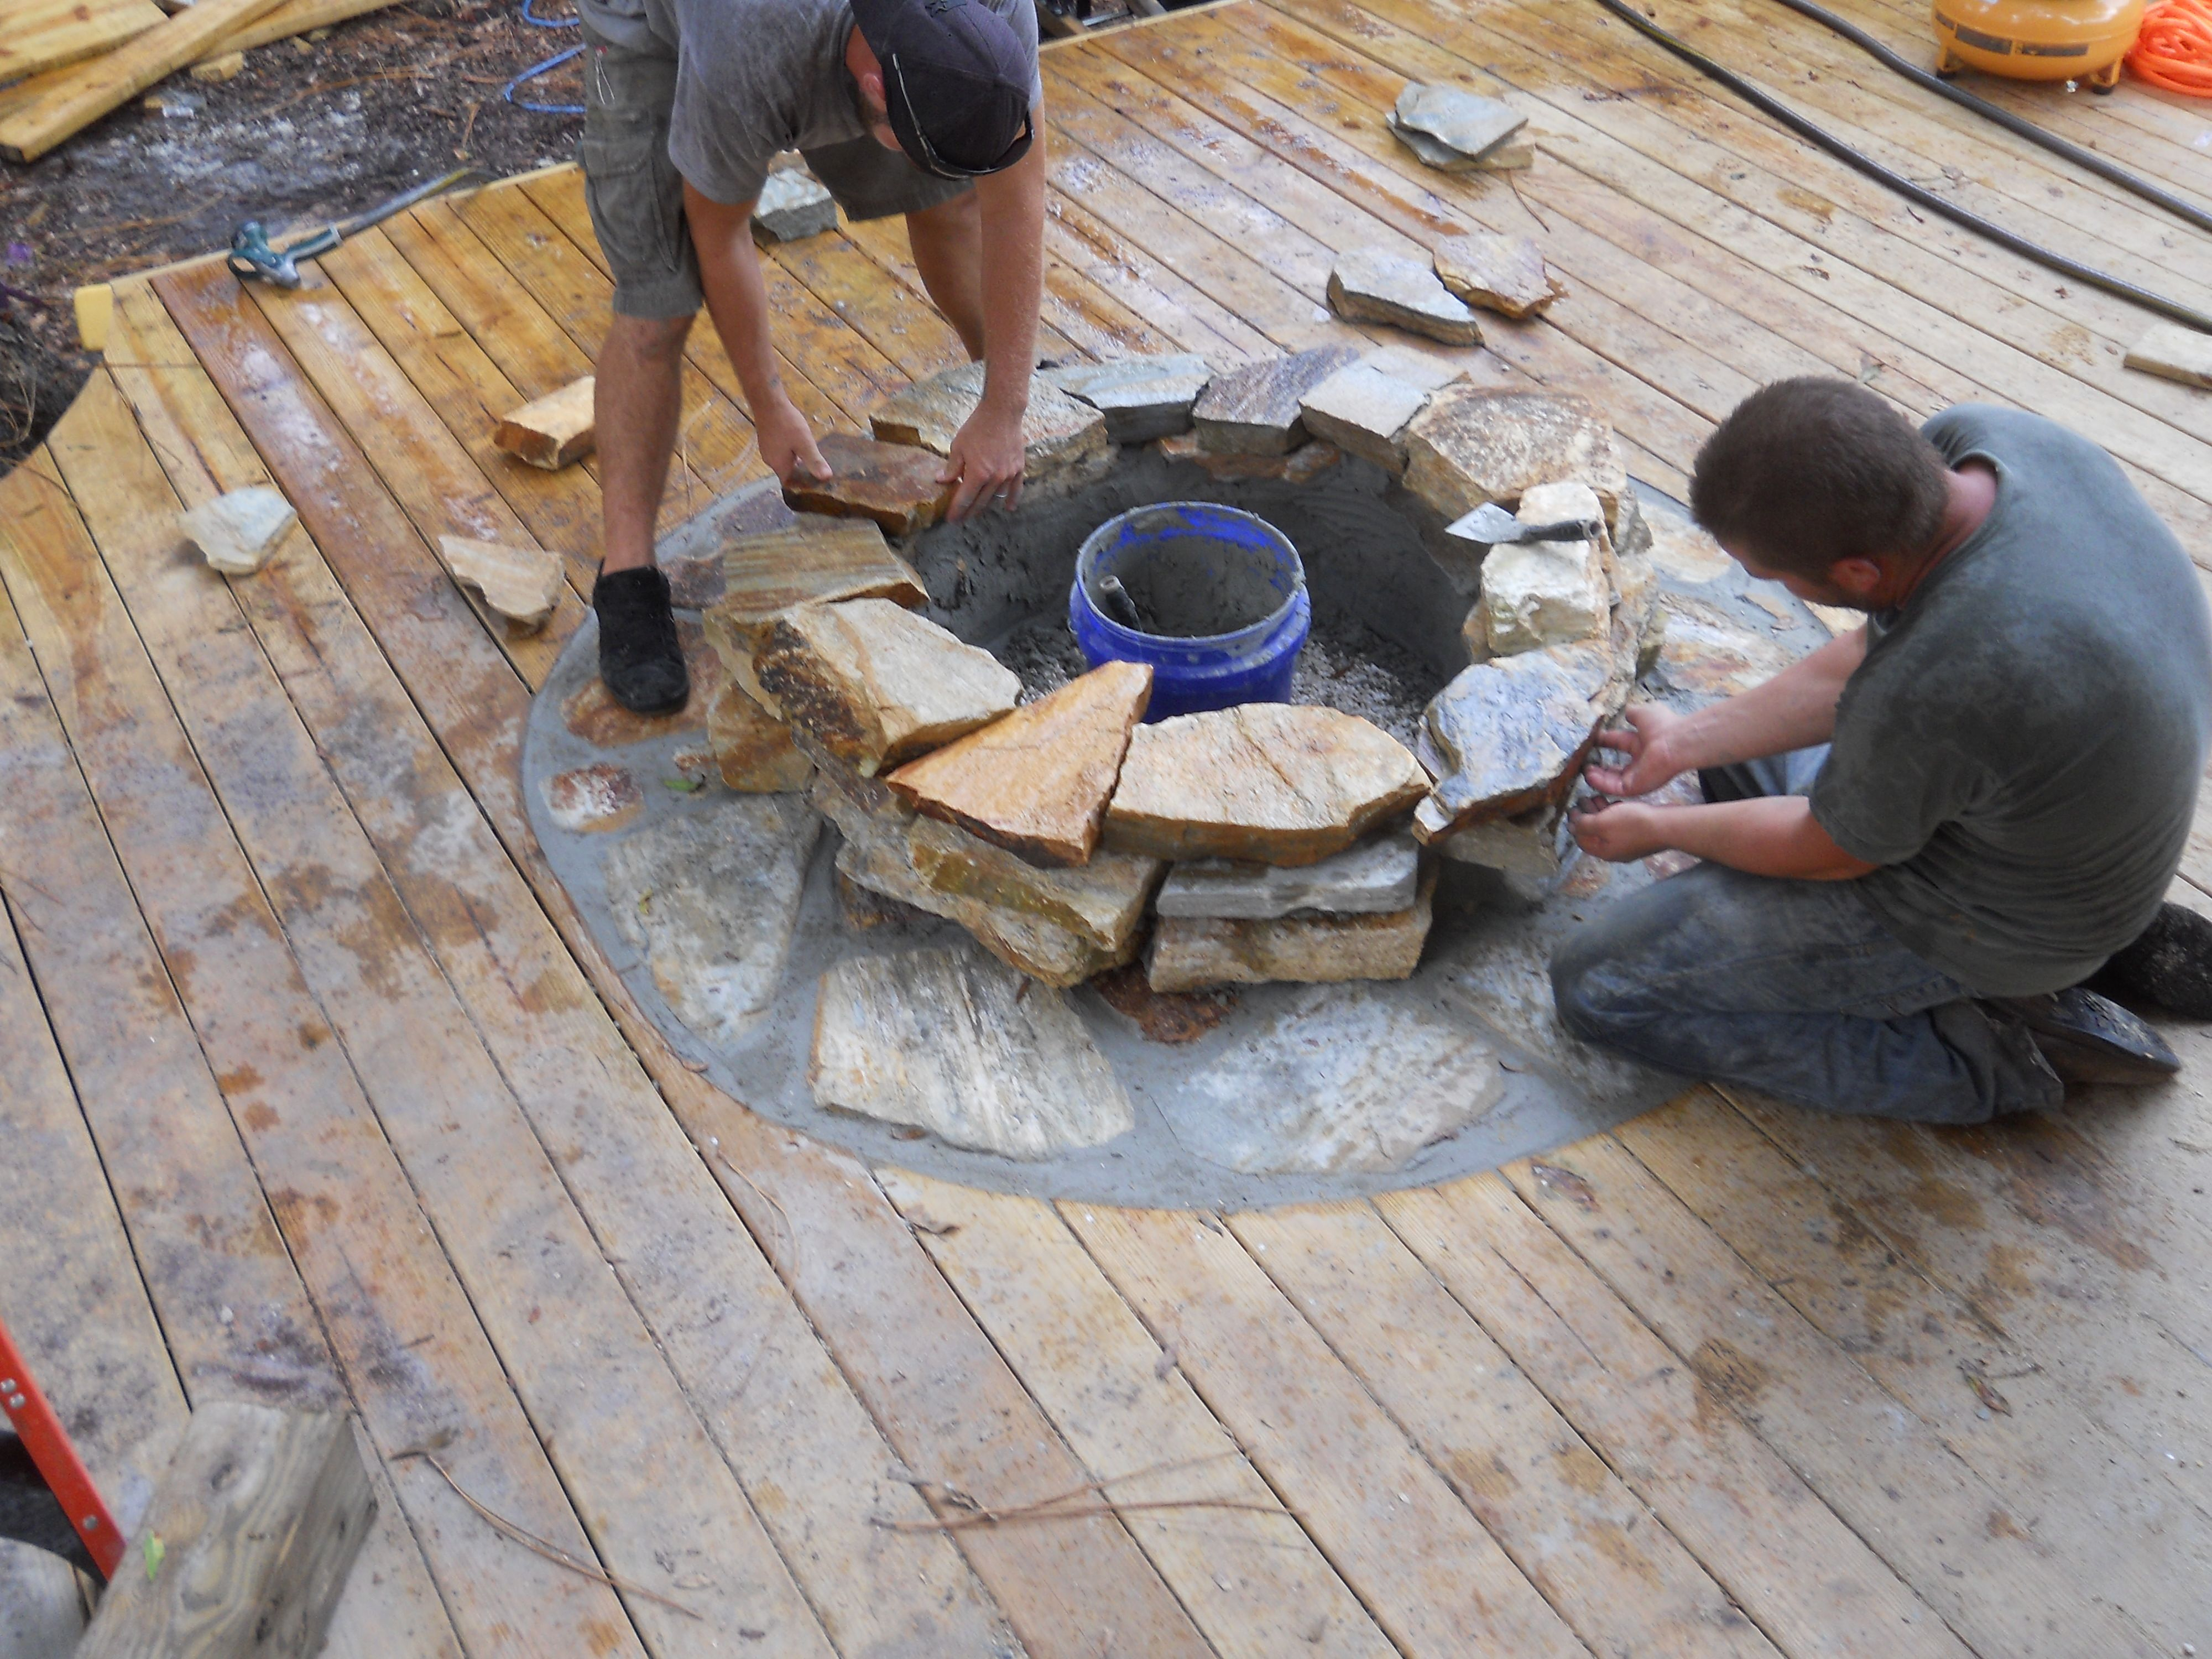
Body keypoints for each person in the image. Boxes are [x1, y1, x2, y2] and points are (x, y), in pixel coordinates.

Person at [1552, 377, 2212, 1123]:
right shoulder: (1989, 443)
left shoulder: (1954, 674)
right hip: (2062, 807)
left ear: (1860, 574)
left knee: (1599, 989)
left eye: (1772, 575)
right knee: (1726, 762)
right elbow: (1872, 653)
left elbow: (1832, 849)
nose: (1755, 580)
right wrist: (1683, 743)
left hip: (1990, 915)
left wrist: (1661, 828)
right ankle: (2094, 939)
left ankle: (1990, 1056)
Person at [573, 0, 1047, 711]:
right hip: (656, 24)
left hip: (844, 45)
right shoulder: (750, 51)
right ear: (874, 90)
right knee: (657, 304)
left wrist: (1005, 407)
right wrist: (768, 403)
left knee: (953, 202)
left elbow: (1015, 198)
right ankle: (628, 574)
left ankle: (1003, 442)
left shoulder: (999, 11)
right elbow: (719, 232)